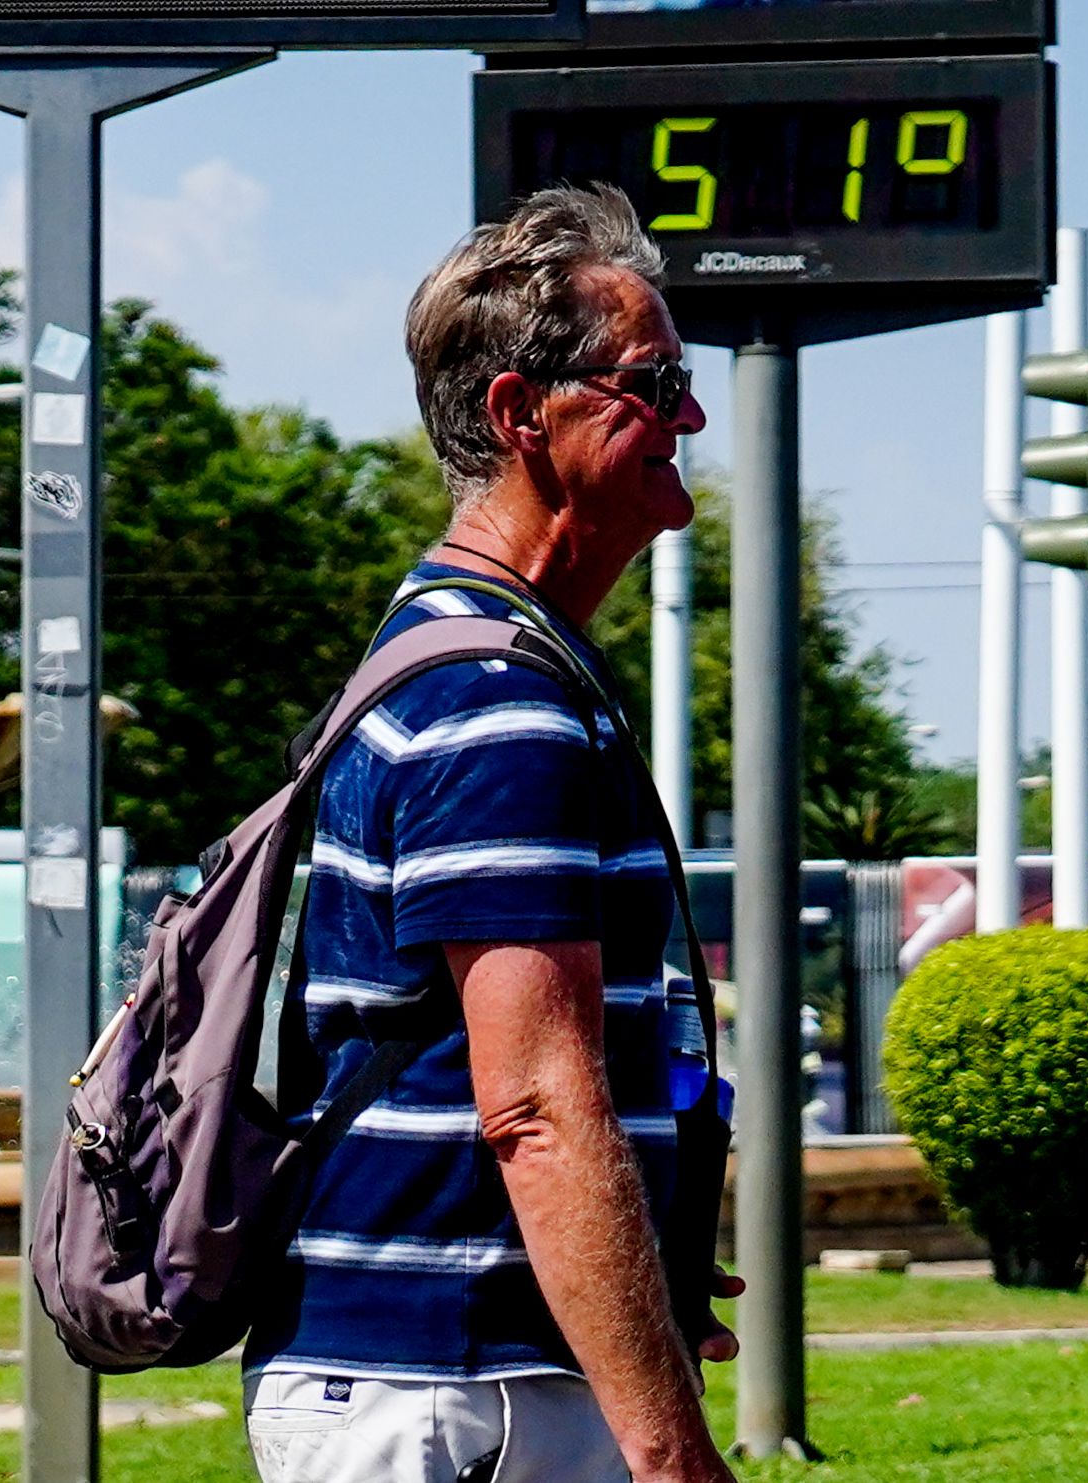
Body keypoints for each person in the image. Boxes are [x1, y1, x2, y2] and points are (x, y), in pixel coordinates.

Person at [240, 184, 739, 1483]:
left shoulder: (463, 661)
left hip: (457, 1379)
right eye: (654, 380)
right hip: (458, 1391)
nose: (689, 414)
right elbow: (536, 1105)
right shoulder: (493, 705)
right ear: (523, 415)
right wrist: (674, 1452)